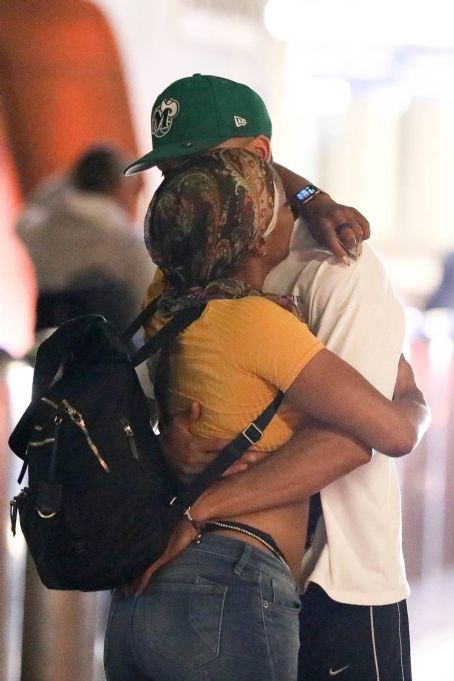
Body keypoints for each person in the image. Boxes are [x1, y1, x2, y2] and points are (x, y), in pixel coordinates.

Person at [124, 74, 428, 681]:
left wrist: (196, 509)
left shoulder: (335, 270)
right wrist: (409, 398)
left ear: (258, 157)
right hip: (236, 574)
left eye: (198, 168)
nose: (184, 191)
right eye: (171, 173)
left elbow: (349, 443)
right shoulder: (179, 283)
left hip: (337, 579)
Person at [17, 145, 154, 330]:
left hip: (53, 343)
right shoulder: (128, 242)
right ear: (118, 187)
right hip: (115, 348)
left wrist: (76, 174)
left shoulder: (40, 230)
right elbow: (149, 307)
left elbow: (31, 209)